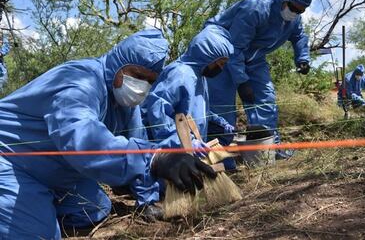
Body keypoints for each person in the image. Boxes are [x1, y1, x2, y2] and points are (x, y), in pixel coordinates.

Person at [0, 29, 216, 240]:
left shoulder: (123, 103)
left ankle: (37, 204)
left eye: (150, 80)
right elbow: (82, 141)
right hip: (11, 162)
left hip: (56, 169)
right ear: (118, 63)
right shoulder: (79, 82)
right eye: (138, 75)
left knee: (97, 209)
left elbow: (136, 144)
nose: (142, 86)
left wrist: (150, 194)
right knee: (39, 234)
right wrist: (156, 159)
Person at [204, 0, 312, 162]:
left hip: (254, 57)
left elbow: (299, 36)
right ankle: (218, 157)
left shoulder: (294, 17)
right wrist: (242, 81)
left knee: (265, 99)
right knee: (221, 105)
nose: (295, 12)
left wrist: (303, 58)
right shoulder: (257, 8)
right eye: (293, 7)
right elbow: (235, 47)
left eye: (300, 11)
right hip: (223, 53)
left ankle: (268, 150)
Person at [138, 27, 234, 204]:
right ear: (206, 55)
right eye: (219, 63)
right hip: (169, 152)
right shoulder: (180, 74)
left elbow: (196, 110)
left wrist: (218, 122)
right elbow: (158, 112)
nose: (221, 68)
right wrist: (178, 140)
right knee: (174, 187)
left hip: (189, 146)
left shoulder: (200, 75)